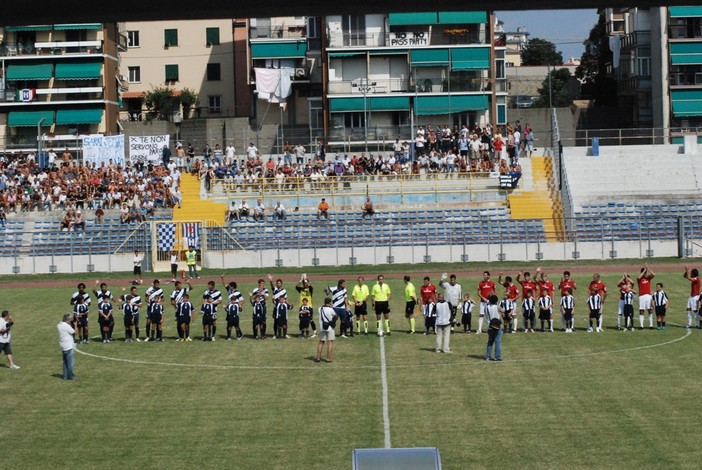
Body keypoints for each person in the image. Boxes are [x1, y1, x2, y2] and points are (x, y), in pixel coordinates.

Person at [315, 297, 336, 363]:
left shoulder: (320, 309)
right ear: (330, 302)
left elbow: (321, 308)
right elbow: (335, 315)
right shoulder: (331, 309)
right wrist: (331, 307)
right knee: (330, 343)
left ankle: (318, 358)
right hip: (330, 328)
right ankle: (328, 358)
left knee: (321, 342)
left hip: (322, 328)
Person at [58, 313, 76, 379]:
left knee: (65, 362)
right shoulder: (67, 326)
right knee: (70, 363)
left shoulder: (59, 325)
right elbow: (75, 332)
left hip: (63, 346)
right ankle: (71, 376)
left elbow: (61, 324)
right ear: (67, 320)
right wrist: (75, 325)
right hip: (68, 346)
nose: (70, 321)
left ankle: (65, 376)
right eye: (70, 320)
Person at [637, 265, 655, 329]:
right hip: (641, 296)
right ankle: (641, 325)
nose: (645, 274)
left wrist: (648, 269)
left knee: (650, 310)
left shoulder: (648, 278)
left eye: (645, 273)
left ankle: (651, 325)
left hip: (648, 295)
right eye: (644, 273)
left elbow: (654, 274)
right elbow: (638, 277)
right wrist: (644, 271)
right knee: (641, 311)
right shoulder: (639, 279)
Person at [485, 294, 502, 361]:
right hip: (497, 325)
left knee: (490, 341)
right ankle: (496, 357)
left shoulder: (486, 307)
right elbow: (503, 310)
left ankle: (488, 356)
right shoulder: (497, 307)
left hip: (489, 325)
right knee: (497, 341)